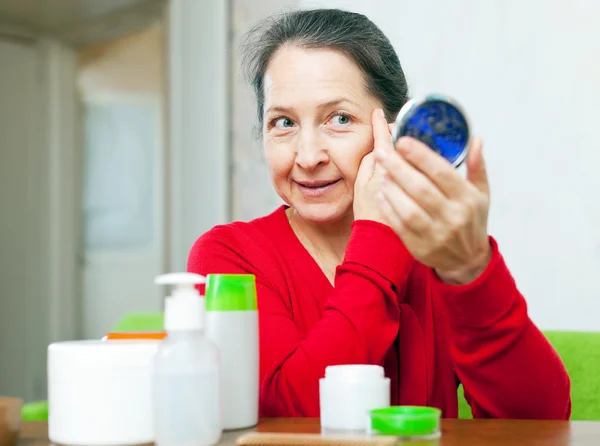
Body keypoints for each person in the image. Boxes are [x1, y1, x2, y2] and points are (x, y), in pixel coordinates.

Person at [188, 8, 571, 419]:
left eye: (339, 119)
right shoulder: (227, 257)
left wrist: (472, 270)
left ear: (393, 130)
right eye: (283, 122)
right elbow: (291, 416)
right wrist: (377, 239)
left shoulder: (435, 253)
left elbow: (541, 423)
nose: (308, 156)